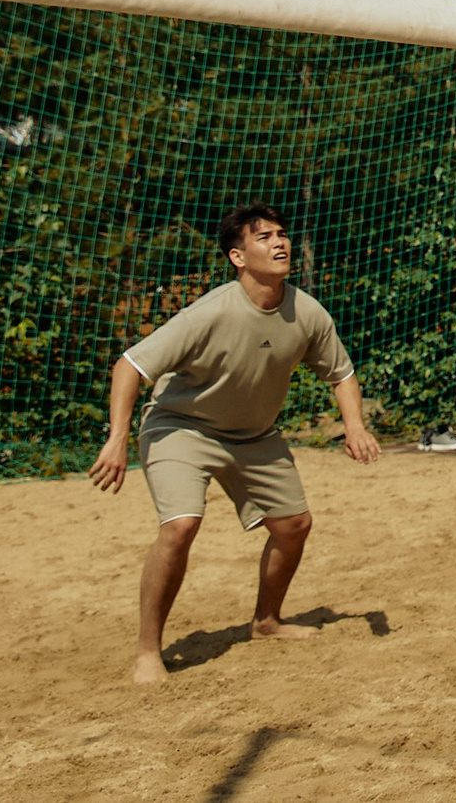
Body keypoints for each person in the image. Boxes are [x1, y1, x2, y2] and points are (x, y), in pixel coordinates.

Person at [88, 203, 381, 684]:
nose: (279, 242)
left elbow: (341, 373)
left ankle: (267, 622)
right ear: (237, 257)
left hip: (253, 435)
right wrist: (117, 438)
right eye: (264, 237)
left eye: (281, 234)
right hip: (181, 427)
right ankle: (147, 651)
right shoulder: (208, 313)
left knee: (294, 526)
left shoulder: (307, 312)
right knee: (181, 526)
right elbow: (130, 366)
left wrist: (355, 426)